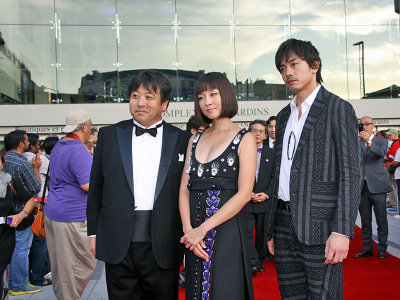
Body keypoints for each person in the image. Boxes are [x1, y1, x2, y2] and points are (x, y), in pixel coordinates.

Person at [266, 38, 361, 299]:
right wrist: (271, 228)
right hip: (284, 224)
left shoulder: (338, 108)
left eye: (294, 64)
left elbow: (351, 173)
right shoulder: (284, 115)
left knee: (324, 295)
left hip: (321, 225)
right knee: (291, 295)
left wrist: (342, 231)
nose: (288, 73)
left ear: (314, 66)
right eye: (282, 68)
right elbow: (280, 172)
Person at [87, 70, 189, 300]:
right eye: (135, 95)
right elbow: (96, 189)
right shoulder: (109, 135)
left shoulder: (182, 140)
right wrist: (92, 233)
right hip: (117, 239)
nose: (140, 103)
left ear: (164, 103)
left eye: (149, 96)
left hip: (164, 241)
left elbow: (187, 192)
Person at [179, 72, 257, 300]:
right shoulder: (194, 139)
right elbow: (184, 188)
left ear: (227, 95)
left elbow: (243, 194)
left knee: (225, 290)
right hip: (193, 238)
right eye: (201, 97)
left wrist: (202, 230)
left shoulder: (245, 138)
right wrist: (188, 231)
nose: (207, 102)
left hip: (227, 233)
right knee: (195, 291)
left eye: (213, 94)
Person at [44, 109, 97, 300]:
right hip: (71, 215)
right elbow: (87, 185)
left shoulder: (60, 144)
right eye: (90, 124)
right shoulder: (77, 149)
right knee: (76, 266)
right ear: (84, 126)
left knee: (61, 266)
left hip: (55, 211)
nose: (91, 128)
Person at [4, 130, 42, 296]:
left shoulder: (4, 159)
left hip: (5, 209)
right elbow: (35, 187)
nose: (28, 143)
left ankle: (12, 283)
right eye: (26, 140)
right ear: (21, 143)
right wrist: (36, 168)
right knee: (21, 248)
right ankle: (19, 284)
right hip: (21, 209)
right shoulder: (22, 163)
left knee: (10, 247)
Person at [355, 116, 393, 259]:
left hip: (378, 185)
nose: (364, 127)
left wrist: (368, 141)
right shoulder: (356, 142)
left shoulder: (381, 141)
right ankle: (367, 247)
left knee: (381, 220)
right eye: (362, 124)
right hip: (362, 187)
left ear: (373, 126)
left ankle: (382, 249)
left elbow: (382, 154)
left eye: (367, 124)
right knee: (365, 221)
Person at [0, 152, 37, 299]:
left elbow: (30, 200)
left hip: (4, 235)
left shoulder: (9, 182)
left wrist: (21, 215)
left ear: (3, 164)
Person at [246, 120, 275, 276]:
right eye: (254, 130)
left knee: (262, 234)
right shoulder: (242, 151)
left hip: (264, 199)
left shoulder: (271, 153)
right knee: (248, 233)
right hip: (246, 199)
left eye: (260, 131)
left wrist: (267, 194)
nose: (257, 134)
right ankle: (252, 262)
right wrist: (245, 192)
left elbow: (274, 178)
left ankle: (259, 261)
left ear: (265, 135)